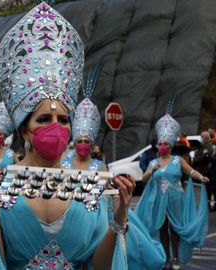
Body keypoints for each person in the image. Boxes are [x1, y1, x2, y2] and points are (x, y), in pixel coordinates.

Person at [0, 3, 135, 269]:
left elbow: (101, 264)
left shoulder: (91, 186)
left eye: (63, 119)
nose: (56, 126)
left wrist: (120, 217)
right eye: (44, 119)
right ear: (25, 128)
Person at [62, 68, 165, 269]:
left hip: (93, 223)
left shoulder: (99, 166)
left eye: (86, 141)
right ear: (75, 141)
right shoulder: (64, 163)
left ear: (91, 144)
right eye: (80, 140)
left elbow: (106, 200)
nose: (83, 144)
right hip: (68, 222)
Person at [136, 102, 209, 269]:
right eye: (160, 143)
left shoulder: (178, 160)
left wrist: (201, 176)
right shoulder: (153, 162)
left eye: (165, 143)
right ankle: (165, 257)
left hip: (176, 199)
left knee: (174, 230)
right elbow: (145, 179)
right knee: (162, 230)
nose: (162, 146)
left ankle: (175, 257)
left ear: (170, 145)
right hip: (158, 200)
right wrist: (150, 171)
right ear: (157, 145)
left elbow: (190, 171)